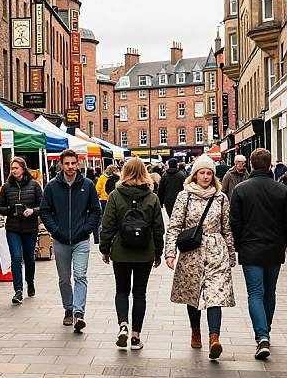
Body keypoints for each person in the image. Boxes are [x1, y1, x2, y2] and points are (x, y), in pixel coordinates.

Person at [165, 155, 235, 360]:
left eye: (209, 173)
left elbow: (227, 228)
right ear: (194, 175)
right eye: (202, 173)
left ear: (214, 176)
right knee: (192, 292)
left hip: (216, 251)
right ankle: (195, 331)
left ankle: (215, 338)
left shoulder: (221, 198)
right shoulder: (184, 196)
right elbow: (175, 226)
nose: (205, 176)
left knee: (216, 295)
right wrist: (170, 252)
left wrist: (231, 254)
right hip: (191, 251)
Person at [99, 157, 164, 350]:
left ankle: (123, 325)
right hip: (145, 252)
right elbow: (158, 228)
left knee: (121, 290)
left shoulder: (115, 196)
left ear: (124, 173)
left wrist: (105, 248)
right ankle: (136, 337)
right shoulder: (152, 198)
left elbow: (107, 225)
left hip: (121, 251)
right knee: (140, 293)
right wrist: (158, 252)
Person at [230, 148, 287, 360]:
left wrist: (237, 245)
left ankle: (261, 336)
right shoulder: (281, 190)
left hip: (250, 248)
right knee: (270, 291)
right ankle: (267, 331)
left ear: (251, 165)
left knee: (255, 292)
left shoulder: (242, 190)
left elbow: (234, 222)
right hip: (274, 248)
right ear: (270, 164)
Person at [40, 149, 101, 332]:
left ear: (78, 164)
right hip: (60, 240)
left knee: (80, 276)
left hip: (81, 239)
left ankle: (78, 312)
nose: (70, 167)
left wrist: (86, 229)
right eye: (67, 164)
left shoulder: (87, 185)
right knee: (64, 279)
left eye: (73, 163)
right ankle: (68, 308)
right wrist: (55, 231)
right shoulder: (52, 186)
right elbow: (45, 211)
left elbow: (96, 210)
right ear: (61, 165)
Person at [0, 157, 43, 304]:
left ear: (23, 168)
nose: (14, 171)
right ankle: (18, 290)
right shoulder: (6, 187)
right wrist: (10, 210)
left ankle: (30, 281)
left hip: (30, 228)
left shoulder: (35, 185)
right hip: (13, 228)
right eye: (12, 168)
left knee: (29, 258)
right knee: (16, 258)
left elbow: (43, 206)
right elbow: (0, 208)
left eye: (16, 168)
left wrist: (33, 211)